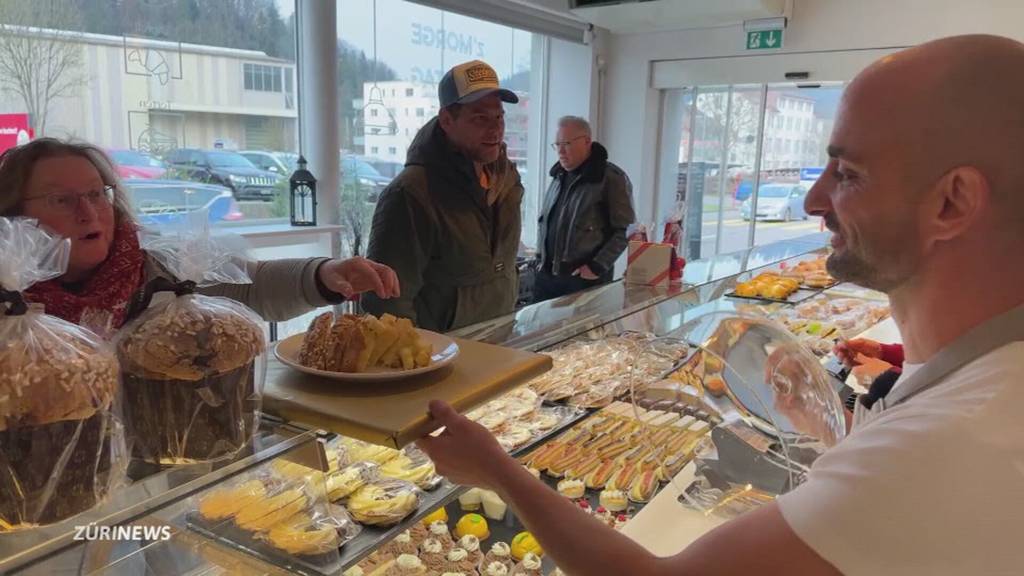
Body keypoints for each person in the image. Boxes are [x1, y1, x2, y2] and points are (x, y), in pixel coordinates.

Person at [416, 34, 1024, 575]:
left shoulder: (958, 442)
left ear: (952, 203)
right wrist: (831, 437)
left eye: (848, 172)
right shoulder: (978, 387)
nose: (813, 199)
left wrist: (495, 468)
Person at [0, 138, 400, 332]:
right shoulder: (10, 304)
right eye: (60, 200)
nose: (88, 213)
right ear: (13, 214)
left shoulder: (155, 262)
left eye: (95, 194)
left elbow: (251, 287)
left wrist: (325, 275)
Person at [363, 60, 523, 332]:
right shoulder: (411, 193)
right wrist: (415, 367)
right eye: (480, 118)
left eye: (499, 117)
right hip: (443, 362)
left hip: (502, 341)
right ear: (447, 120)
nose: (495, 130)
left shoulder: (507, 177)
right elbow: (388, 305)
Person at [534, 116, 635, 302]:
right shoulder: (558, 176)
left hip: (583, 281)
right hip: (546, 278)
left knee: (583, 331)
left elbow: (625, 230)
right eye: (557, 144)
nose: (561, 151)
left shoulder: (610, 178)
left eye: (567, 143)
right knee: (540, 331)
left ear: (587, 141)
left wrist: (596, 267)